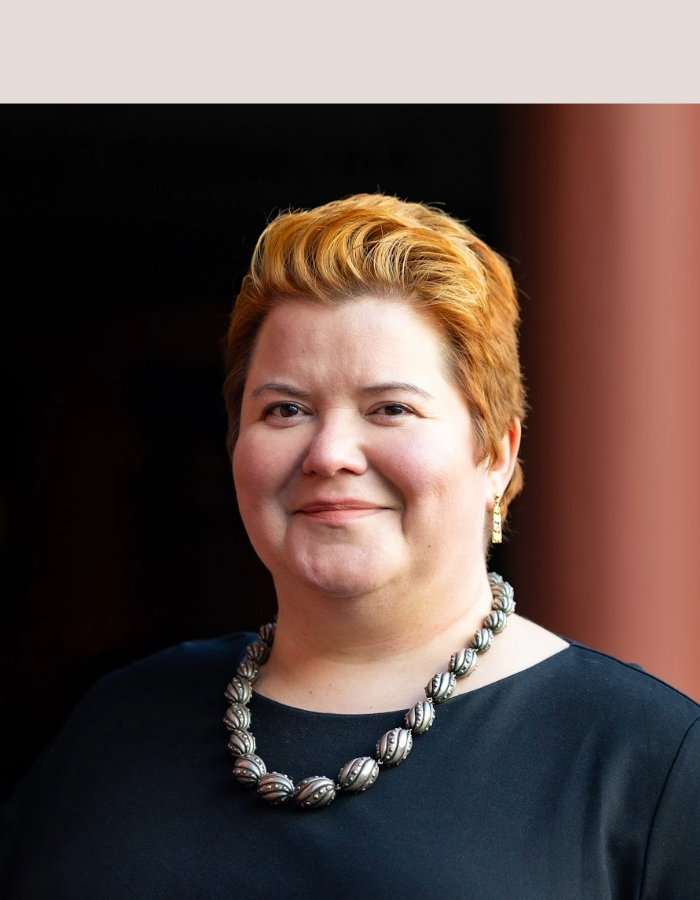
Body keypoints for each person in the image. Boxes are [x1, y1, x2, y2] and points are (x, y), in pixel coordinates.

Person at [2, 193, 699, 899]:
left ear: (495, 452)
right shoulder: (116, 721)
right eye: (285, 409)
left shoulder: (648, 761)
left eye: (390, 408)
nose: (329, 452)